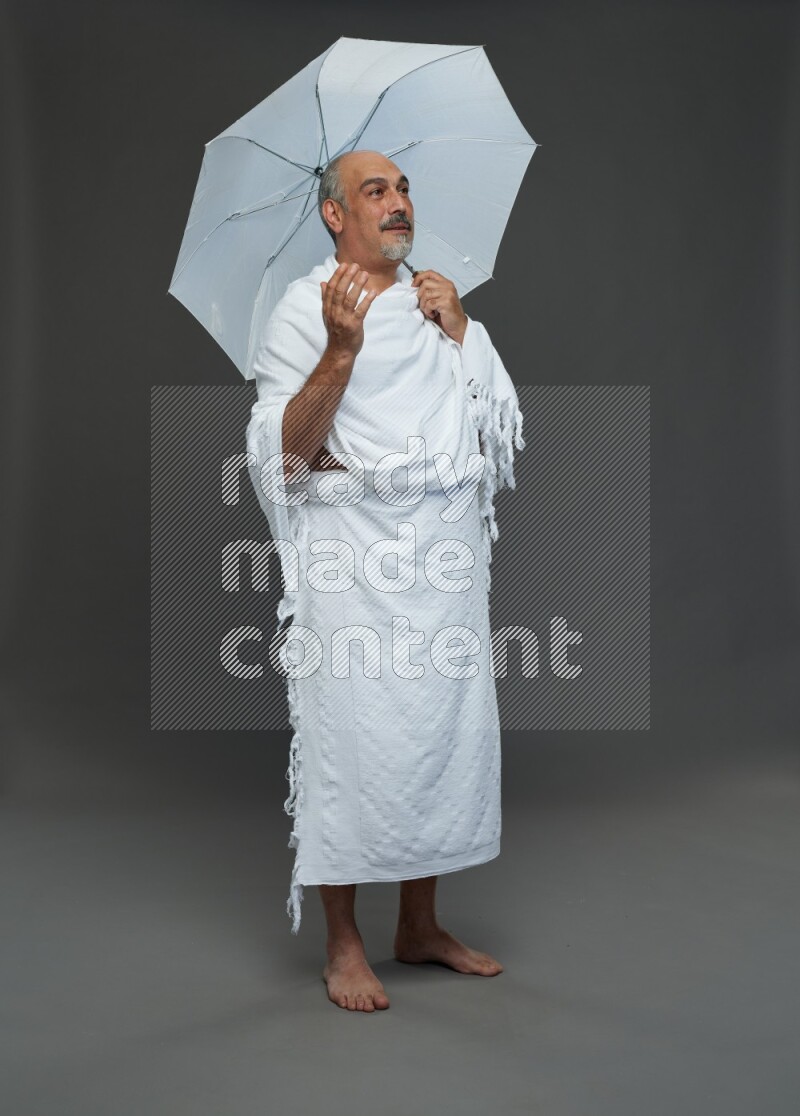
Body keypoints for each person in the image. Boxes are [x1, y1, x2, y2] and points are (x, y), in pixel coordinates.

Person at [245, 150, 525, 1012]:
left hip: (439, 559)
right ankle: (344, 942)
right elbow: (282, 456)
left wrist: (464, 330)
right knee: (352, 739)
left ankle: (420, 927)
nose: (399, 203)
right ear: (336, 216)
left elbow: (497, 420)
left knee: (437, 732)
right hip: (351, 559)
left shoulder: (434, 299)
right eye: (377, 191)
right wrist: (339, 351)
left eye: (404, 189)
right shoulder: (301, 311)